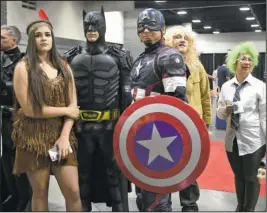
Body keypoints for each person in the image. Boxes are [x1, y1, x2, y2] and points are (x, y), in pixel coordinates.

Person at [11, 20, 82, 211]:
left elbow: (73, 104)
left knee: (73, 192)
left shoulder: (64, 66)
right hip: (32, 137)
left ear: (53, 38)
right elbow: (29, 109)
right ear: (32, 40)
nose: (44, 39)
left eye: (47, 34)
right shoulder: (23, 68)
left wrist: (65, 136)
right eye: (38, 35)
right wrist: (65, 110)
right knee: (40, 192)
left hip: (61, 136)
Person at [66, 7, 132, 211]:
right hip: (81, 126)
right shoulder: (72, 55)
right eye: (88, 25)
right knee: (82, 171)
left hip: (110, 125)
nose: (91, 29)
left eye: (96, 25)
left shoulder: (119, 55)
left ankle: (119, 208)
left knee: (114, 172)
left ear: (104, 26)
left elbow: (126, 92)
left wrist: (126, 123)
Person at [130, 8, 188, 212]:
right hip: (139, 131)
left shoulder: (170, 57)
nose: (146, 30)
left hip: (161, 135)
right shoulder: (140, 60)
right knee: (142, 192)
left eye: (152, 27)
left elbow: (178, 104)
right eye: (141, 27)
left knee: (158, 195)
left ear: (163, 29)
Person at [165, 25, 211, 212]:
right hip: (167, 126)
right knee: (164, 166)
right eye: (177, 37)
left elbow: (205, 97)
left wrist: (206, 123)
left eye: (185, 37)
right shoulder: (162, 64)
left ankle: (189, 205)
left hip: (192, 126)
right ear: (169, 41)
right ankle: (163, 204)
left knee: (190, 167)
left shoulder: (197, 66)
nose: (182, 40)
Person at [217, 42, 266, 212]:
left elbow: (264, 115)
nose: (247, 62)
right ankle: (240, 206)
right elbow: (220, 114)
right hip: (232, 140)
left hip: (254, 140)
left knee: (251, 177)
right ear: (234, 62)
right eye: (243, 59)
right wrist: (225, 109)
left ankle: (249, 209)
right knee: (239, 176)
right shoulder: (225, 87)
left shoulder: (260, 86)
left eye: (250, 59)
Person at [0, 25, 32, 211]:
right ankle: (11, 194)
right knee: (4, 159)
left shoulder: (25, 61)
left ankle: (25, 197)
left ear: (14, 40)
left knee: (18, 160)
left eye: (2, 38)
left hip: (18, 117)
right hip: (2, 118)